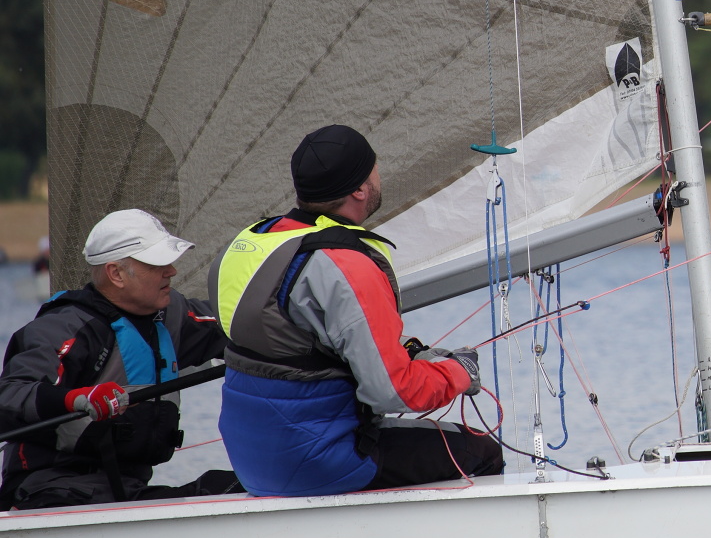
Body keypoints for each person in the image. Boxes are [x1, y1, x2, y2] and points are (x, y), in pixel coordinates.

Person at [213, 124, 502, 497]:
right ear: (360, 190)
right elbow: (392, 392)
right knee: (481, 451)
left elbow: (300, 341)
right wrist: (459, 372)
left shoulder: (251, 241)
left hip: (252, 458)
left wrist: (412, 355)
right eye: (375, 168)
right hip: (319, 460)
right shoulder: (347, 266)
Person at [0, 210, 239, 510]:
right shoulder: (63, 328)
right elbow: (9, 395)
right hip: (52, 491)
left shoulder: (171, 316)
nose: (172, 271)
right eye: (157, 264)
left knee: (238, 486)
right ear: (116, 274)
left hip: (126, 489)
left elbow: (240, 327)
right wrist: (76, 398)